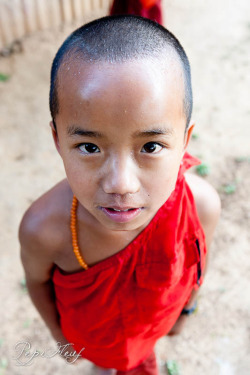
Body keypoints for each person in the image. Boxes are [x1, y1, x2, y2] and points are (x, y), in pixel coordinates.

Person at [19, 15, 221, 375]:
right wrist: (60, 338)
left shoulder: (200, 206)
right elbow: (37, 283)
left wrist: (186, 311)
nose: (121, 184)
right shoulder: (43, 230)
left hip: (154, 324)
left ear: (184, 142)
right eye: (89, 147)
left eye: (152, 145)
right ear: (57, 141)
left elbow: (196, 267)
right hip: (95, 340)